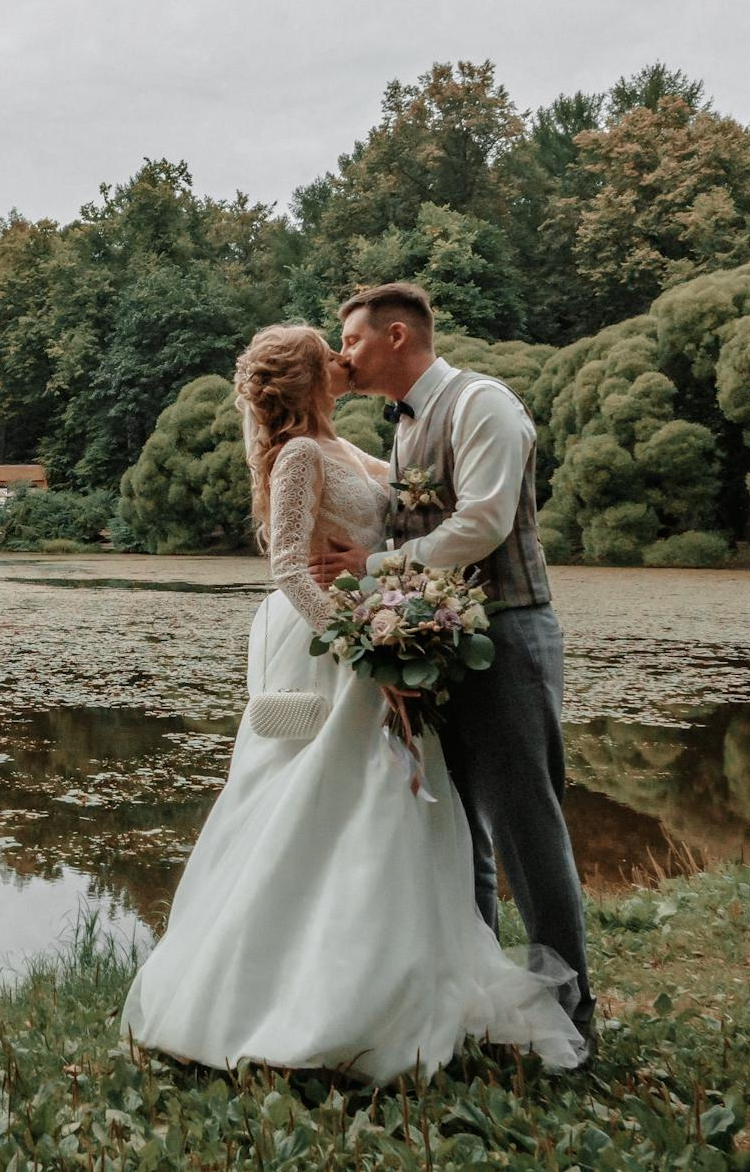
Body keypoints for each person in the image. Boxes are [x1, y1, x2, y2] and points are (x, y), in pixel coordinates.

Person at [121, 321, 585, 1082]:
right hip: (346, 661)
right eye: (329, 350)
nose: (343, 360)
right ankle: (304, 1001)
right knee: (337, 816)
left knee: (403, 821)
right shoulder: (299, 455)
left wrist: (402, 617)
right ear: (308, 376)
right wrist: (364, 645)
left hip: (385, 645)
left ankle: (410, 985)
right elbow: (289, 571)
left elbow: (414, 512)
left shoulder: (355, 450)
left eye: (348, 343)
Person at [313, 281, 595, 1047]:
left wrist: (378, 567)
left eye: (356, 341)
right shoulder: (401, 429)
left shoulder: (483, 404)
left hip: (505, 637)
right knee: (455, 831)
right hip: (433, 647)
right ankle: (482, 1004)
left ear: (398, 335)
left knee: (525, 830)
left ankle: (572, 1015)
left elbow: (483, 521)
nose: (346, 354)